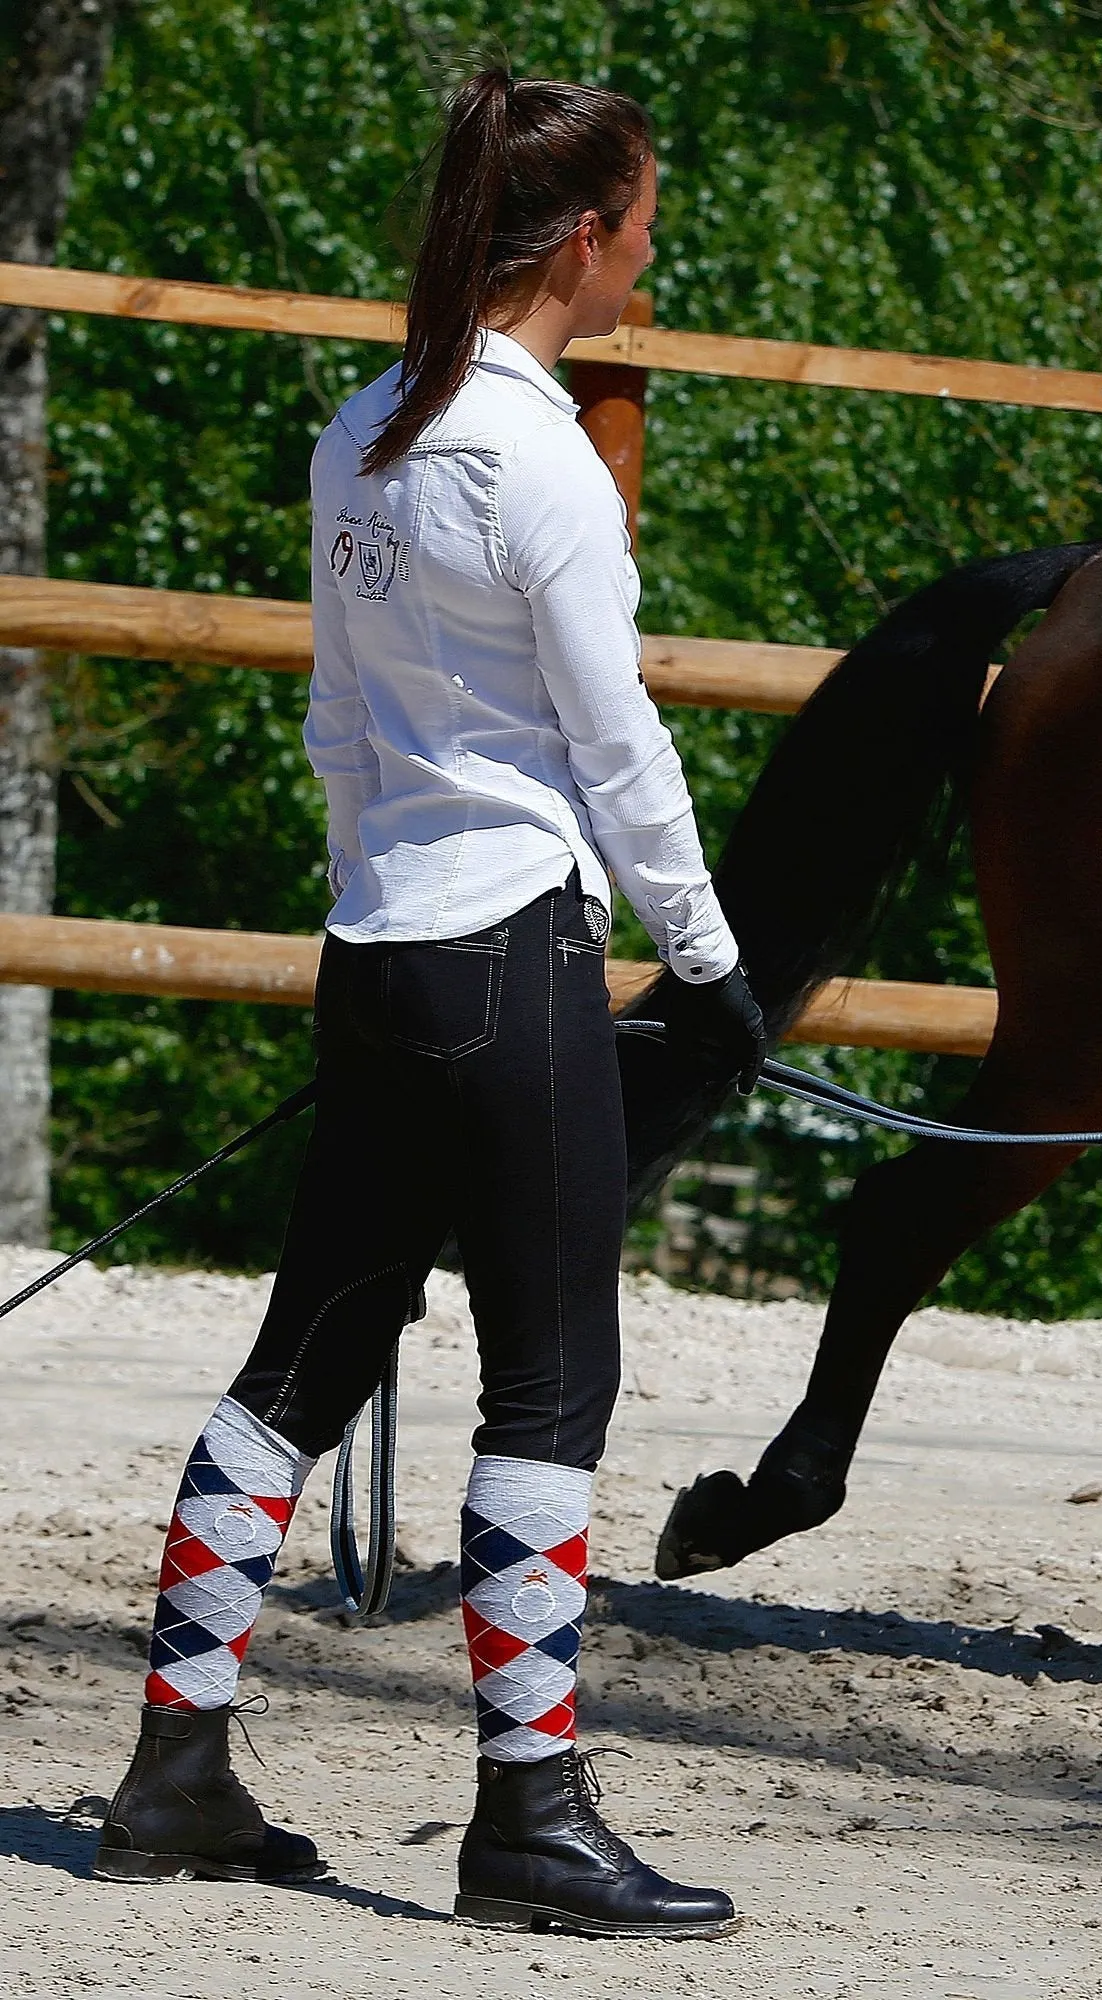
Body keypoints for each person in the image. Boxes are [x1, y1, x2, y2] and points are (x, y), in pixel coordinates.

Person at [93, 67, 763, 1939]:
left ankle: (177, 1763)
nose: (654, 242)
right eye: (642, 215)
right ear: (581, 239)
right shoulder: (537, 456)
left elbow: (337, 722)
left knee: (305, 1357)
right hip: (508, 954)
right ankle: (529, 1815)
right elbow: (616, 749)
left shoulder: (364, 428)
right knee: (553, 1377)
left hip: (381, 946)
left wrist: (364, 900)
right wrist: (707, 965)